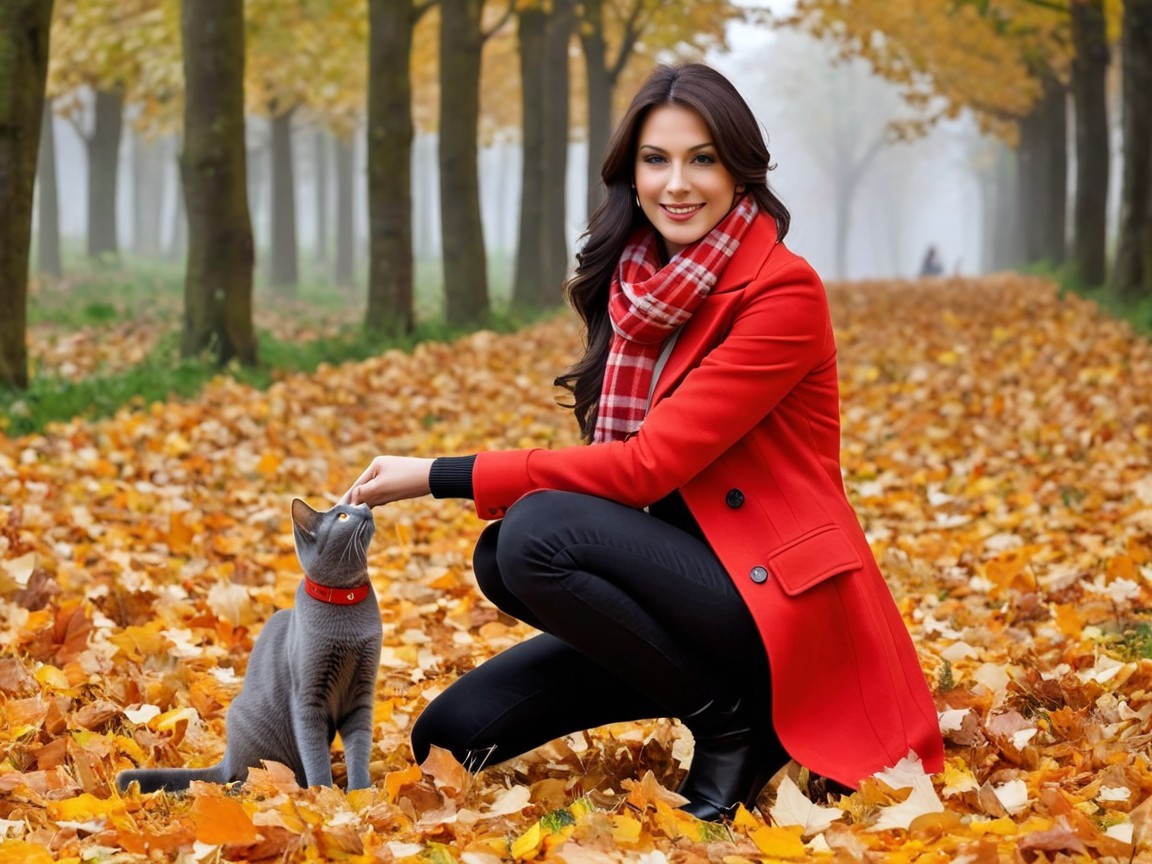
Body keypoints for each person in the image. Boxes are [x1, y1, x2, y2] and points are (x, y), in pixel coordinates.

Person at [342, 63, 944, 821]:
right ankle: (713, 698)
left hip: (775, 604)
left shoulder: (781, 292)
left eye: (703, 159)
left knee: (533, 535)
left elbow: (649, 464)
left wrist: (440, 474)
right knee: (450, 733)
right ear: (630, 172)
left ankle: (735, 725)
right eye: (656, 160)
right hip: (687, 593)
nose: (677, 183)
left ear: (739, 170)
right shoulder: (637, 288)